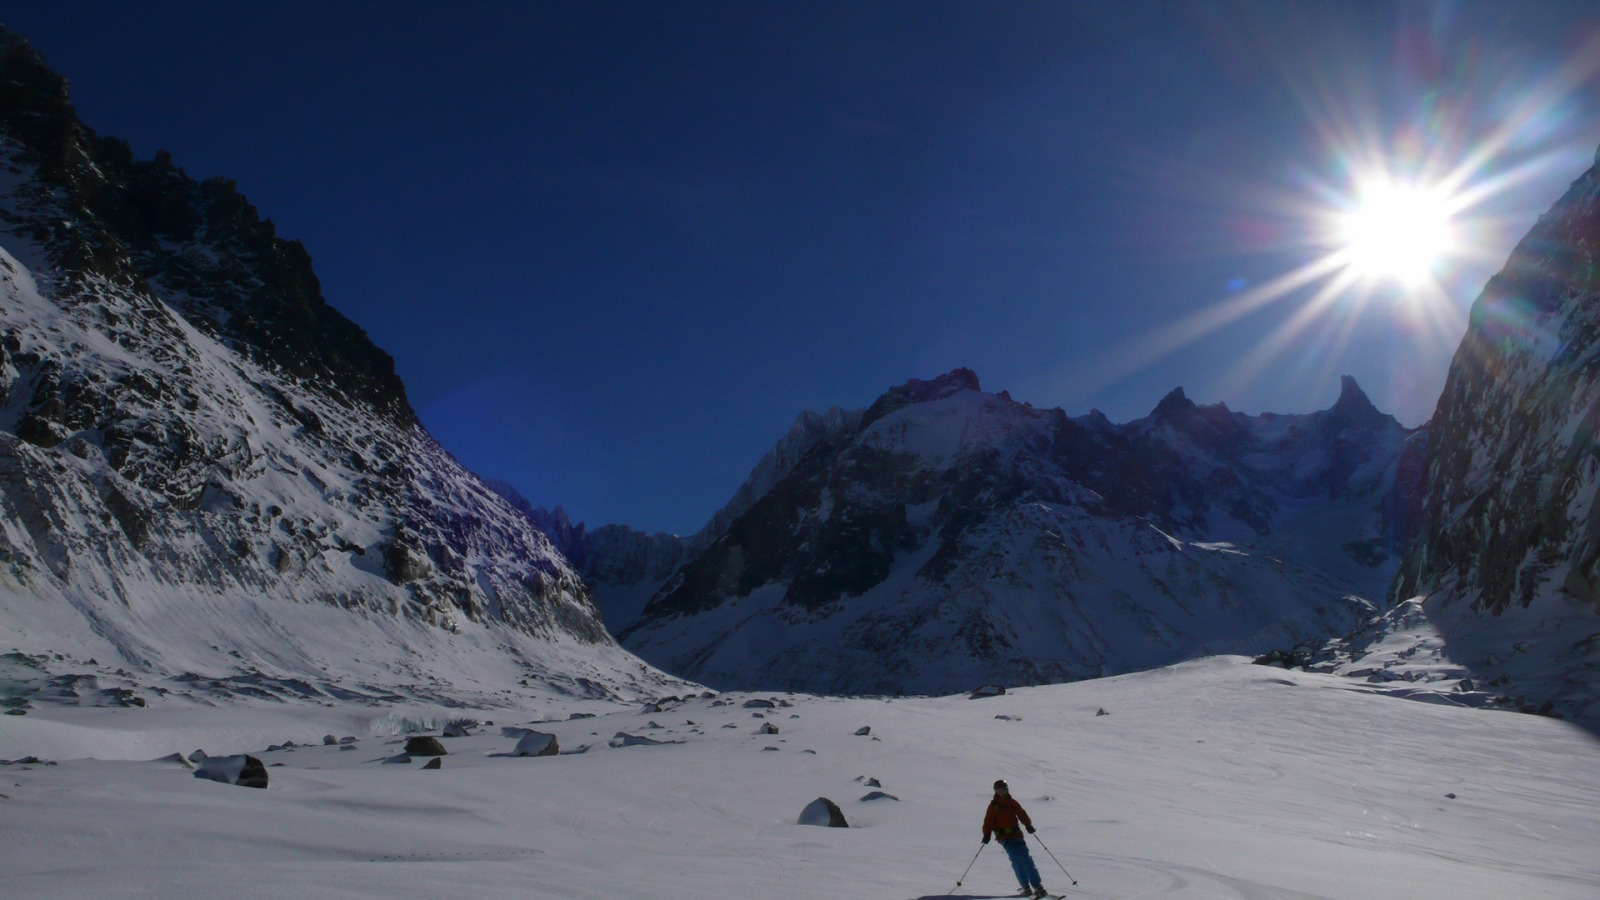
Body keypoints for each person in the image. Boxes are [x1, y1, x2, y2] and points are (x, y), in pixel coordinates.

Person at [981, 779, 1047, 898]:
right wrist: (987, 834)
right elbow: (988, 821)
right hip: (1004, 838)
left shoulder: (1012, 802)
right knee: (1017, 859)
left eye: (1005, 790)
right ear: (996, 792)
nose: (1003, 793)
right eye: (1000, 791)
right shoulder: (993, 806)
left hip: (1017, 836)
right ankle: (1026, 887)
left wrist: (1028, 825)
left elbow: (1021, 813)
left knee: (1027, 859)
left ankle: (1038, 886)